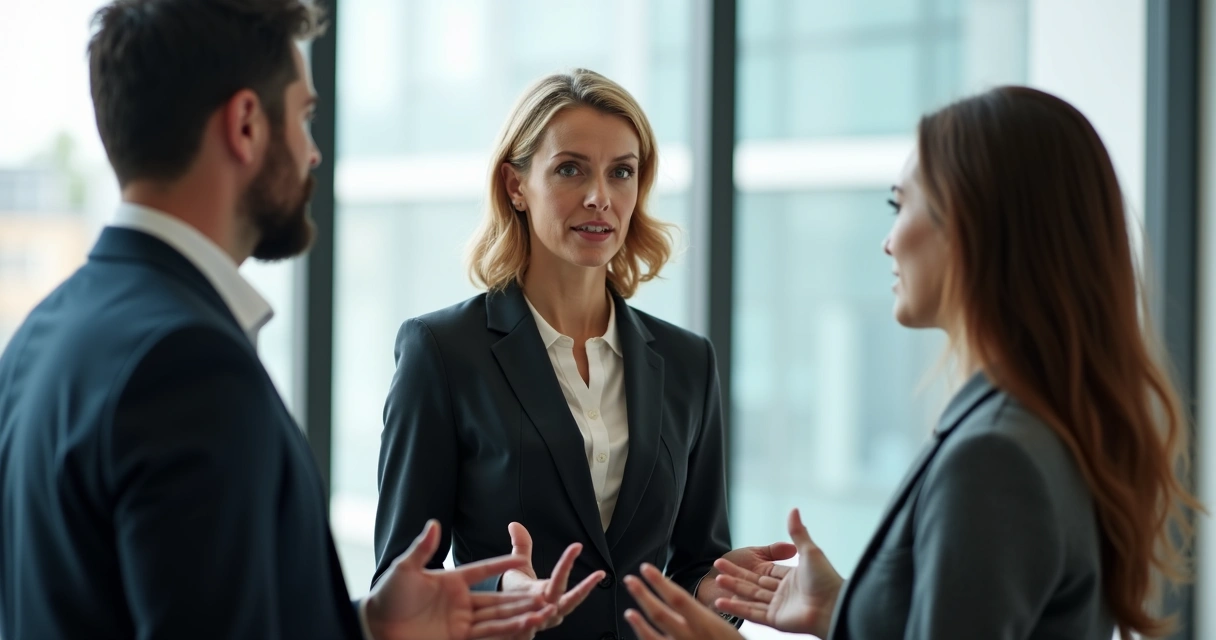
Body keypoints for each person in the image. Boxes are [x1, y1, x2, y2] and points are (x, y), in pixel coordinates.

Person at [0, 1, 557, 638]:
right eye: (304, 116)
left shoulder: (42, 334)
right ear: (245, 125)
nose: (313, 153)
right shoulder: (187, 364)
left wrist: (367, 627)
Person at [615, 86, 1204, 640]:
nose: (888, 241)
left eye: (900, 205)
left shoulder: (995, 455)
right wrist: (844, 611)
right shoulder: (1037, 425)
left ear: (974, 226)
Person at [373, 68, 794, 640]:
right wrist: (502, 591)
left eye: (621, 172)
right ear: (515, 186)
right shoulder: (442, 352)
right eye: (570, 169)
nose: (600, 197)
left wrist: (716, 591)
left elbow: (695, 562)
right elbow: (401, 581)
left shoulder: (687, 362)